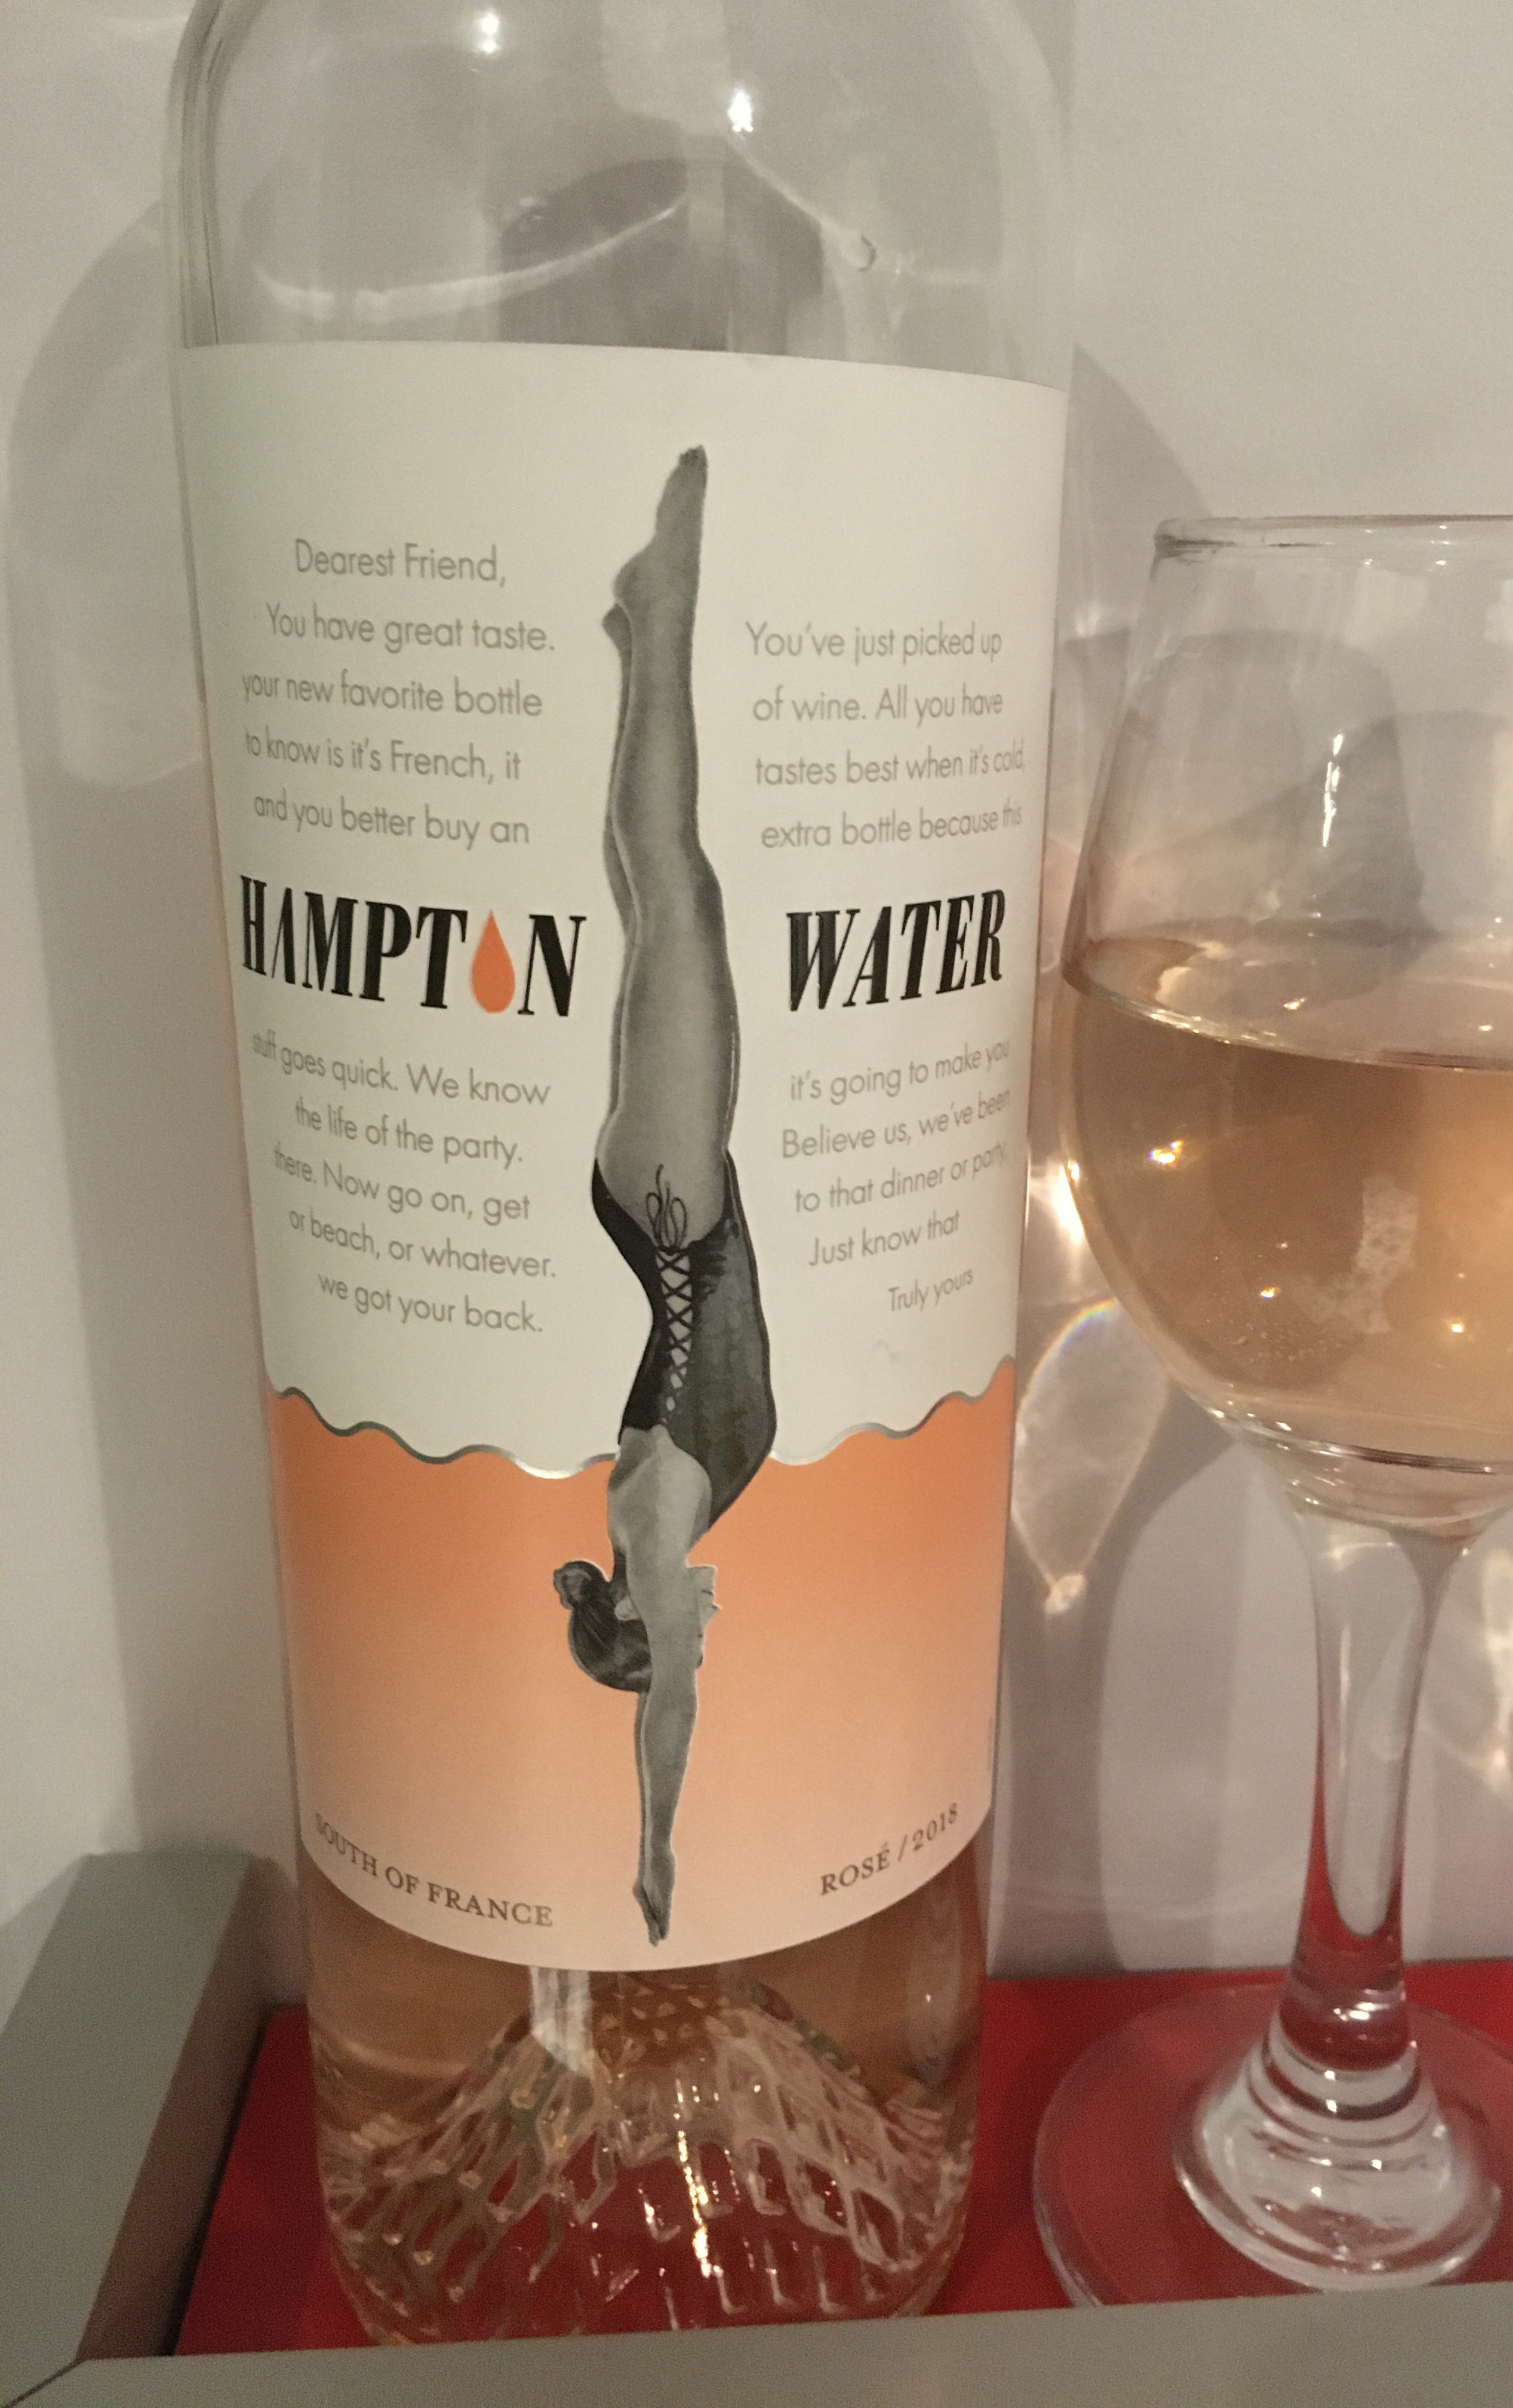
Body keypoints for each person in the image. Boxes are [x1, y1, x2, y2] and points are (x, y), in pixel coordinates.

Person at [552, 449, 776, 1946]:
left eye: (671, 1649)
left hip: (673, 1214)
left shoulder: (651, 1532)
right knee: (661, 910)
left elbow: (669, 1713)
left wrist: (655, 1851)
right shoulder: (683, 1522)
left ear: (639, 1621)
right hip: (683, 1205)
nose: (701, 1650)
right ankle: (644, 636)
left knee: (675, 892)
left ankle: (666, 607)